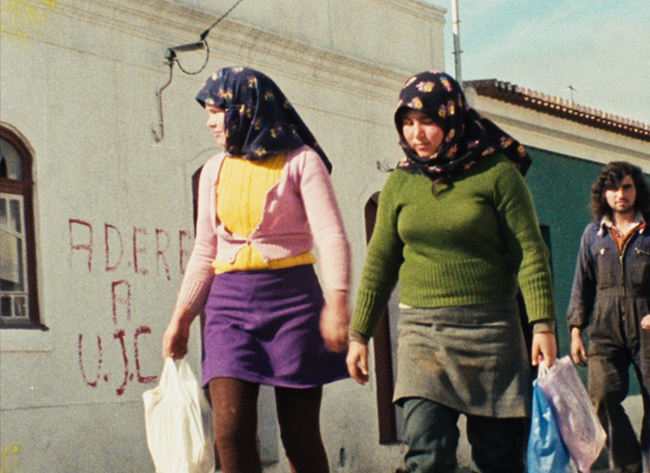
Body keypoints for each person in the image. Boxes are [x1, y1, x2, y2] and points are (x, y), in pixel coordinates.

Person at [346, 71, 557, 473]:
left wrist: (542, 325)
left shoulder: (497, 173)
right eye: (407, 123)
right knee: (426, 451)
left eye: (427, 121)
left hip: (491, 332)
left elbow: (530, 252)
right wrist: (359, 335)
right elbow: (380, 263)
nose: (416, 134)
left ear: (451, 118)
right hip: (422, 335)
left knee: (499, 458)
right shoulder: (401, 183)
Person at [162, 66, 351, 473]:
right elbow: (205, 249)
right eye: (209, 113)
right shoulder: (213, 170)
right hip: (228, 308)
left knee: (299, 436)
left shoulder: (302, 162)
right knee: (230, 434)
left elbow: (331, 236)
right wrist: (182, 317)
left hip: (293, 303)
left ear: (246, 110)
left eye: (218, 112)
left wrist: (337, 301)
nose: (211, 122)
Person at [568, 161, 650, 473]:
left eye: (627, 187)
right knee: (601, 396)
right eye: (613, 188)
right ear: (603, 193)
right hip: (605, 326)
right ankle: (628, 467)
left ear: (637, 190)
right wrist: (576, 329)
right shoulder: (593, 235)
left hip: (647, 325)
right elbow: (582, 284)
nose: (620, 194)